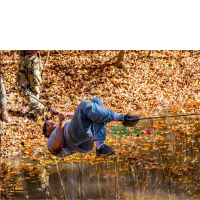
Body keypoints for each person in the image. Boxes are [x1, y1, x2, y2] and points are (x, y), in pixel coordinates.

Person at [42, 98, 140, 158]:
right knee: (84, 105)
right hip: (72, 136)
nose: (52, 123)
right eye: (48, 124)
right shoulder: (50, 140)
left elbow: (77, 114)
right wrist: (61, 121)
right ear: (47, 133)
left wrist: (63, 114)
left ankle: (100, 146)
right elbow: (57, 146)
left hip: (86, 134)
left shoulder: (62, 123)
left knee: (96, 101)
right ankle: (123, 118)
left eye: (52, 121)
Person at [17, 50, 45, 119]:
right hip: (22, 58)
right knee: (21, 88)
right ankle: (38, 106)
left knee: (34, 87)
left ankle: (36, 113)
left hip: (33, 59)